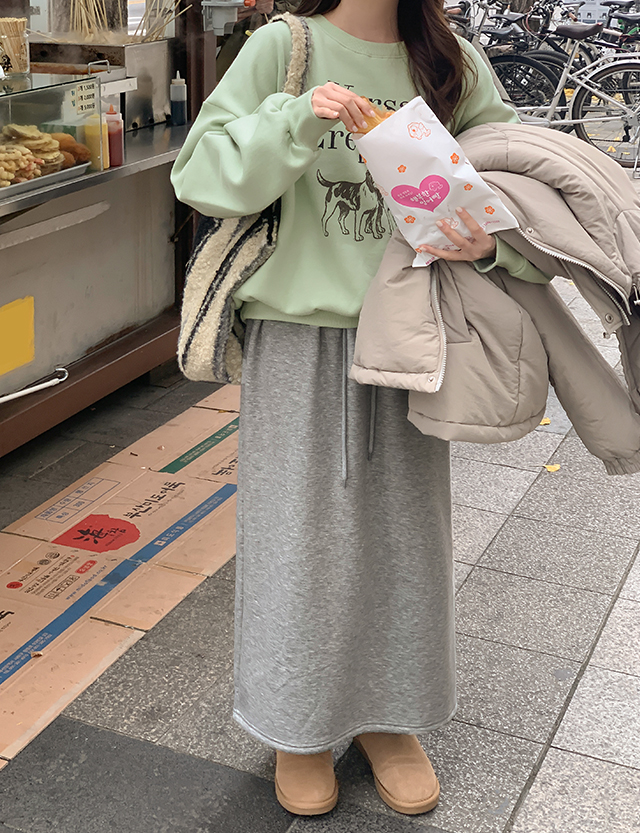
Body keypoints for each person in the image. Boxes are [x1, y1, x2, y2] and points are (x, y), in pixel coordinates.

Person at [172, 0, 541, 818]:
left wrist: (491, 243)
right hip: (299, 336)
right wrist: (298, 118)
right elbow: (200, 176)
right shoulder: (284, 47)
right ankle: (296, 723)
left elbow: (519, 186)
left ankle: (389, 715)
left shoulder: (450, 61)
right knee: (296, 542)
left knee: (407, 540)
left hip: (415, 334)